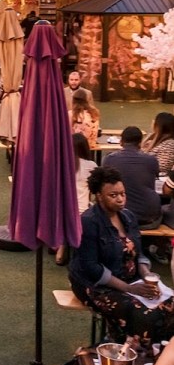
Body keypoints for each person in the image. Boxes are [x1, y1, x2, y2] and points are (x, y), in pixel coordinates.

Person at [68, 166, 174, 347]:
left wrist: (146, 275)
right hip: (95, 285)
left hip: (129, 280)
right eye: (113, 195)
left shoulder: (128, 217)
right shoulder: (89, 222)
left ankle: (156, 354)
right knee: (144, 314)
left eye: (122, 194)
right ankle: (132, 354)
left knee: (170, 304)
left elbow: (139, 253)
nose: (120, 199)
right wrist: (128, 288)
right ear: (99, 196)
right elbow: (91, 268)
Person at [103, 126, 160, 229]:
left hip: (118, 215)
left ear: (121, 142)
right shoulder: (151, 160)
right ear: (140, 143)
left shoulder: (109, 160)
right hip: (147, 218)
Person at [55, 133, 97, 266]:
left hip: (58, 212)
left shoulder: (59, 164)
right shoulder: (91, 165)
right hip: (81, 212)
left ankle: (62, 244)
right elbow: (95, 191)